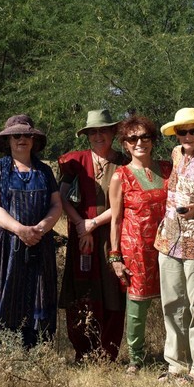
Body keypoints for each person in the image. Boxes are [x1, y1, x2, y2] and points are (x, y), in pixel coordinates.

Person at [0, 114, 63, 348]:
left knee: (37, 295)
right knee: (4, 295)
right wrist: (20, 230)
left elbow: (56, 205)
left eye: (26, 135)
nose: (22, 139)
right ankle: (3, 353)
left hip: (39, 246)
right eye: (16, 135)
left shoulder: (44, 171)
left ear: (33, 140)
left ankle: (36, 352)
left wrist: (41, 228)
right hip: (4, 247)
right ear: (9, 140)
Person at [58, 109, 129, 363]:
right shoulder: (75, 162)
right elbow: (61, 198)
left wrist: (93, 223)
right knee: (83, 288)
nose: (98, 136)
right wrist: (80, 225)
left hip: (112, 234)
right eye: (93, 132)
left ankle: (107, 353)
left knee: (113, 289)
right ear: (87, 135)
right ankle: (83, 350)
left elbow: (125, 203)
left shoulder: (124, 162)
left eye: (103, 130)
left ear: (113, 132)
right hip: (82, 238)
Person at [154, 108, 194, 383]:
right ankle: (176, 365)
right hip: (168, 239)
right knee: (172, 304)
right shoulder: (176, 154)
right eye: (183, 131)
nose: (188, 136)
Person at [108, 115, 172, 374]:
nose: (139, 142)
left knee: (175, 301)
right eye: (132, 138)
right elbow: (115, 219)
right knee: (137, 305)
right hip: (135, 249)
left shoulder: (168, 168)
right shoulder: (120, 176)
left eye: (145, 137)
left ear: (153, 140)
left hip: (170, 245)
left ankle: (176, 354)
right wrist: (115, 257)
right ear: (124, 144)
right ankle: (136, 358)